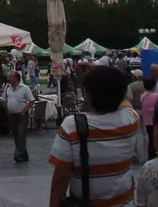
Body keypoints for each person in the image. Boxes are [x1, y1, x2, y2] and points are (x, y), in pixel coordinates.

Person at [48, 66, 138, 207]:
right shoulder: (131, 118)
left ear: (88, 95)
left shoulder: (72, 126)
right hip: (125, 202)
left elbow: (62, 176)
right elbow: (124, 99)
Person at [3, 71, 35, 162]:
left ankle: (17, 154)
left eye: (11, 77)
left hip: (22, 115)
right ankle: (24, 155)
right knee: (16, 135)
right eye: (9, 77)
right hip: (12, 115)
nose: (9, 79)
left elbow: (32, 101)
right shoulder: (7, 87)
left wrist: (24, 110)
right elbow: (4, 100)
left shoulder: (25, 88)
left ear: (17, 78)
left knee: (21, 133)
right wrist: (7, 111)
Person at [140, 76, 158, 162]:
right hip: (157, 121)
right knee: (157, 138)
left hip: (147, 121)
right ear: (154, 86)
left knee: (150, 138)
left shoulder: (143, 96)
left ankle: (151, 155)